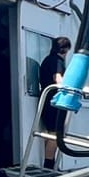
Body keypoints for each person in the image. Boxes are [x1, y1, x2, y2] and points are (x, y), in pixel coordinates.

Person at [36, 36, 71, 168]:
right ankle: (49, 165)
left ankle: (48, 163)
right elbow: (58, 79)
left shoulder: (47, 60)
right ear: (66, 49)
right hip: (54, 101)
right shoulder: (57, 61)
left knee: (50, 133)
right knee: (54, 133)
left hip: (45, 100)